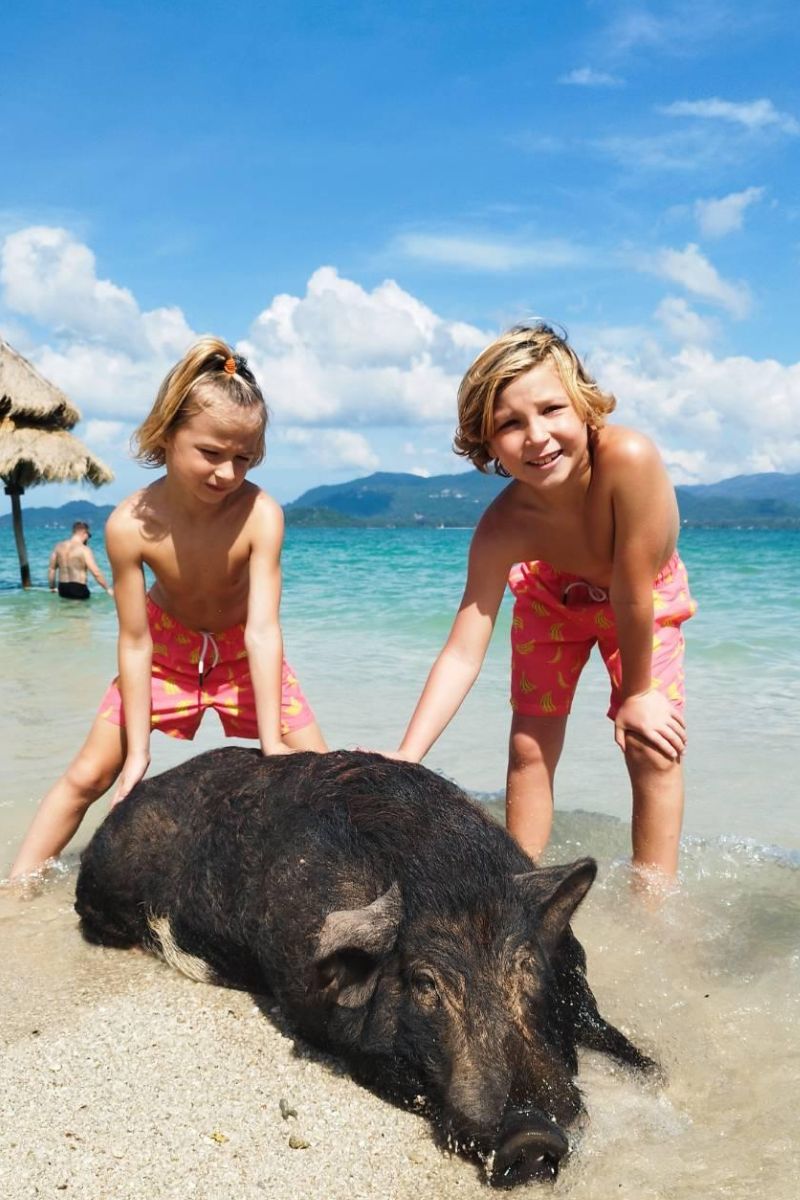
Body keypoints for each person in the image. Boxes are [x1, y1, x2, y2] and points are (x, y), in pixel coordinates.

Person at [10, 336, 326, 880]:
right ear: (166, 434)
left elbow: (263, 631)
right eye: (210, 452)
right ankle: (16, 892)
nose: (227, 473)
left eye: (244, 458)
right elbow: (135, 642)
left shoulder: (260, 515)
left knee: (320, 775)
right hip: (164, 650)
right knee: (89, 774)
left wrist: (273, 742)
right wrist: (137, 754)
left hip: (240, 648)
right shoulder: (130, 524)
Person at [394, 323, 696, 883]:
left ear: (585, 406)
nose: (536, 436)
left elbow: (632, 588)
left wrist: (637, 695)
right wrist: (408, 754)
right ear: (486, 444)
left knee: (651, 742)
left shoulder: (627, 461)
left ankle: (654, 903)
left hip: (642, 596)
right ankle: (521, 891)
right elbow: (463, 648)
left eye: (552, 409)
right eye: (510, 424)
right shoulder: (502, 527)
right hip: (550, 598)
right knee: (529, 746)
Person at [48, 520, 113, 600]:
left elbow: (52, 569)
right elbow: (96, 572)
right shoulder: (84, 549)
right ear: (84, 533)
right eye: (89, 535)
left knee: (65, 610)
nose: (88, 538)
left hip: (62, 588)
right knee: (81, 612)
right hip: (78, 589)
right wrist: (107, 589)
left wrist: (52, 587)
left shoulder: (58, 546)